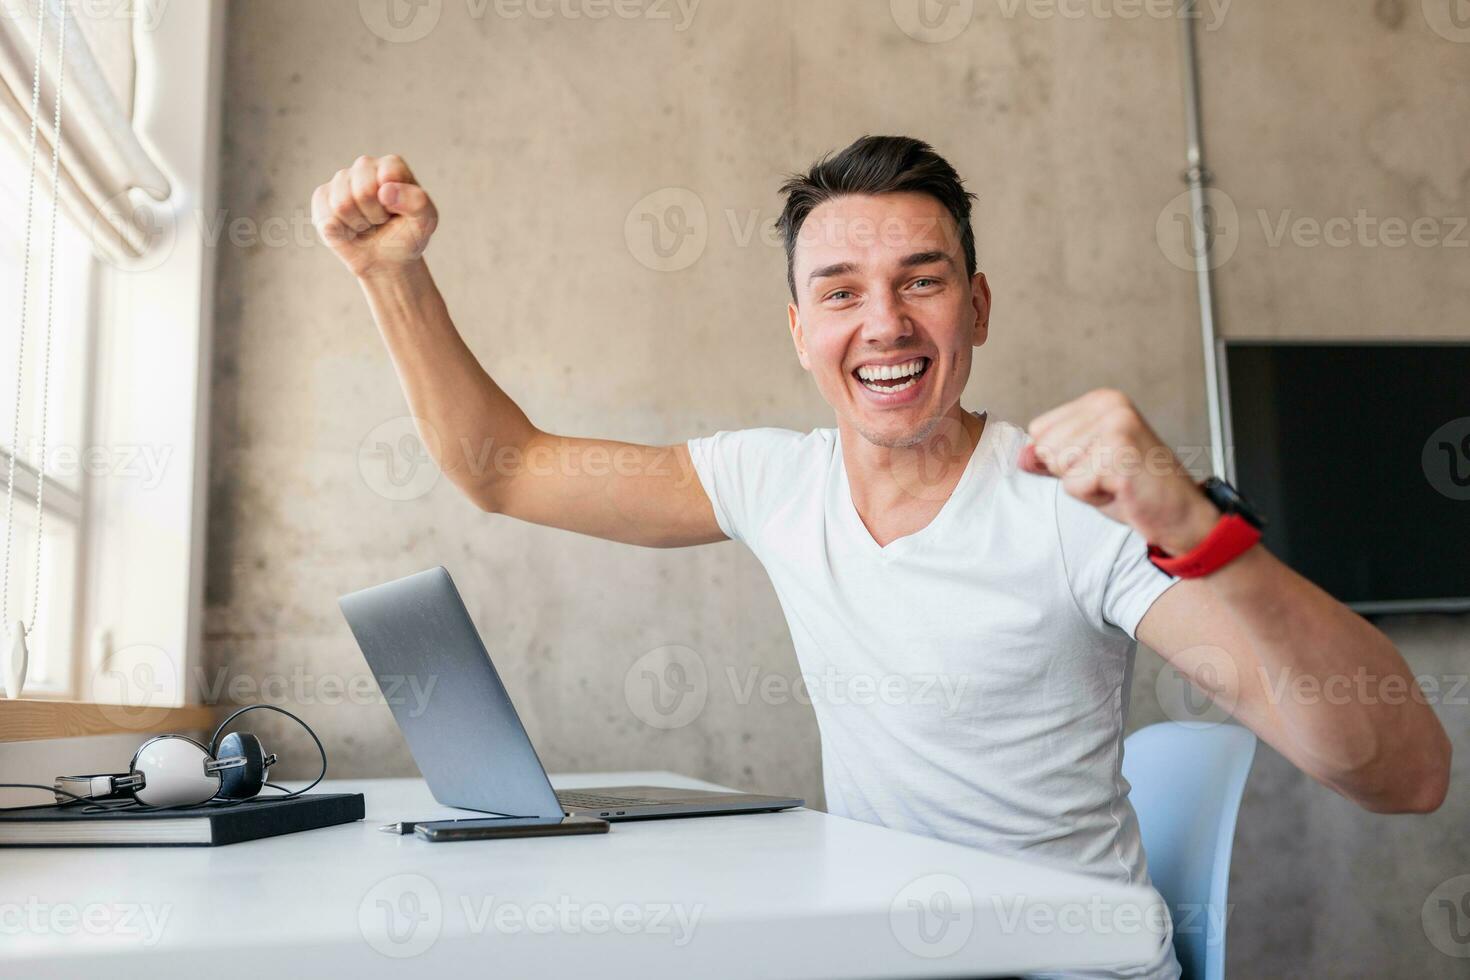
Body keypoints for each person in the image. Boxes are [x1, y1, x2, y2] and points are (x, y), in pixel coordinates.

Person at [311, 136, 1449, 979]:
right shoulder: (775, 482)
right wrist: (390, 276)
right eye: (841, 291)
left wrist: (1199, 531)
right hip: (892, 951)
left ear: (978, 306)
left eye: (923, 278)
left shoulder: (1075, 507)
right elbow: (504, 466)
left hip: (1063, 965)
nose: (887, 322)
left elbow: (1400, 770)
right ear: (798, 329)